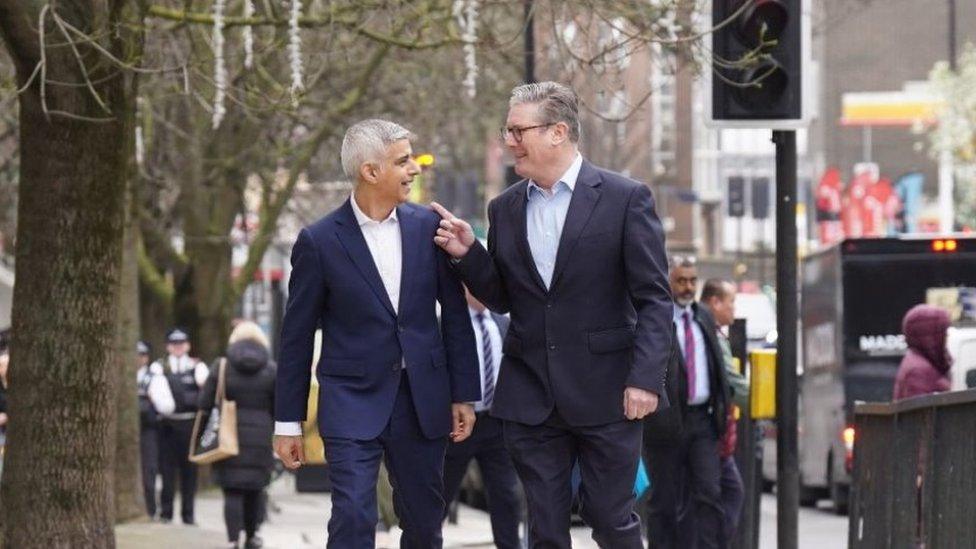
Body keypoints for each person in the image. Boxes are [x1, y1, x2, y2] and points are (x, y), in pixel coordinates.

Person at [432, 81, 672, 548]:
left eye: (519, 130)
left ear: (558, 132)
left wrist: (645, 379)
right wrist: (469, 254)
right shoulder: (504, 209)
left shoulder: (625, 198)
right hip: (531, 395)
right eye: (508, 131)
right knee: (543, 528)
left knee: (609, 519)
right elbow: (505, 297)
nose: (509, 142)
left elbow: (654, 299)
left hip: (607, 392)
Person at [273, 119, 481, 549]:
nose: (415, 169)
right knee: (352, 515)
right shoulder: (319, 241)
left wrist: (463, 393)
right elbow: (294, 339)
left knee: (425, 523)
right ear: (371, 171)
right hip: (351, 399)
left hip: (422, 398)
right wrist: (288, 422)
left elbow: (456, 317)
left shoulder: (429, 228)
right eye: (403, 161)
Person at [644, 256, 730, 549]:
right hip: (665, 423)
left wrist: (721, 412)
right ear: (669, 282)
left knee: (709, 495)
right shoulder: (656, 317)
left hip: (701, 421)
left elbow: (717, 365)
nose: (688, 287)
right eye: (681, 280)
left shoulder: (703, 316)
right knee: (664, 503)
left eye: (693, 280)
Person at [441, 288, 521, 549]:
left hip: (496, 422)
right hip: (458, 423)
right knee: (442, 492)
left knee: (506, 495)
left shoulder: (502, 322)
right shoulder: (449, 324)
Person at [198, 321, 276, 549]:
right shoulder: (271, 370)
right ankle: (252, 536)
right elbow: (279, 408)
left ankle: (233, 540)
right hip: (260, 438)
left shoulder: (221, 367)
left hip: (227, 436)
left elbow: (205, 403)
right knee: (255, 489)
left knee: (232, 490)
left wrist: (202, 434)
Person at [700, 278, 749, 545]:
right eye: (731, 302)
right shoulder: (710, 332)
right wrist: (758, 401)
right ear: (715, 302)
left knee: (725, 494)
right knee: (727, 494)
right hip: (710, 433)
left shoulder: (714, 331)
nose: (734, 309)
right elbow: (732, 381)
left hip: (717, 436)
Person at [156, 327, 209, 525]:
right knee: (167, 471)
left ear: (187, 346)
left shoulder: (198, 367)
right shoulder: (159, 367)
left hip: (190, 425)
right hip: (168, 426)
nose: (178, 347)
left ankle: (188, 515)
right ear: (168, 346)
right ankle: (166, 513)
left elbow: (206, 389)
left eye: (181, 344)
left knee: (189, 472)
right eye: (174, 344)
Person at [136, 340, 175, 520]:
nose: (138, 359)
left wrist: (153, 398)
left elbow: (168, 407)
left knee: (149, 470)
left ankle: (151, 508)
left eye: (142, 355)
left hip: (148, 430)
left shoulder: (154, 378)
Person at [893, 304, 953, 400]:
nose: (947, 336)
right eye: (942, 331)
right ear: (930, 335)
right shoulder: (918, 371)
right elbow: (921, 413)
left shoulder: (920, 363)